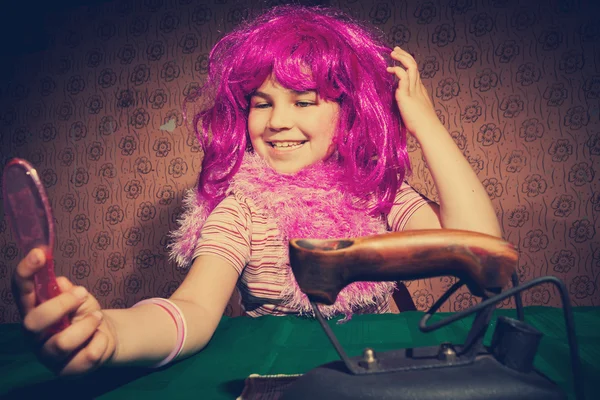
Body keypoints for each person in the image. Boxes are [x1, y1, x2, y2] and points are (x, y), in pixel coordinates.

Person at [12, 5, 501, 376]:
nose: (277, 122)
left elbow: (483, 253)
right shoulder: (242, 207)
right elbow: (195, 309)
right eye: (261, 103)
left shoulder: (377, 194)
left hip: (376, 373)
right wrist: (112, 335)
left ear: (348, 113)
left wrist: (425, 123)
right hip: (281, 373)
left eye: (304, 100)